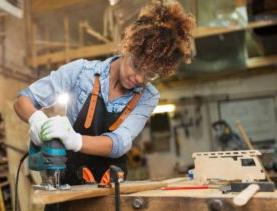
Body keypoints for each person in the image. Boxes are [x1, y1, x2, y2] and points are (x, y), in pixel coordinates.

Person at [14, 0, 195, 186]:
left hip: (110, 187)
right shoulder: (80, 72)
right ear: (127, 48)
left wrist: (74, 140)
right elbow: (24, 99)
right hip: (67, 181)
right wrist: (36, 119)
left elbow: (120, 143)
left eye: (150, 74)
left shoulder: (149, 96)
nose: (140, 79)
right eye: (137, 66)